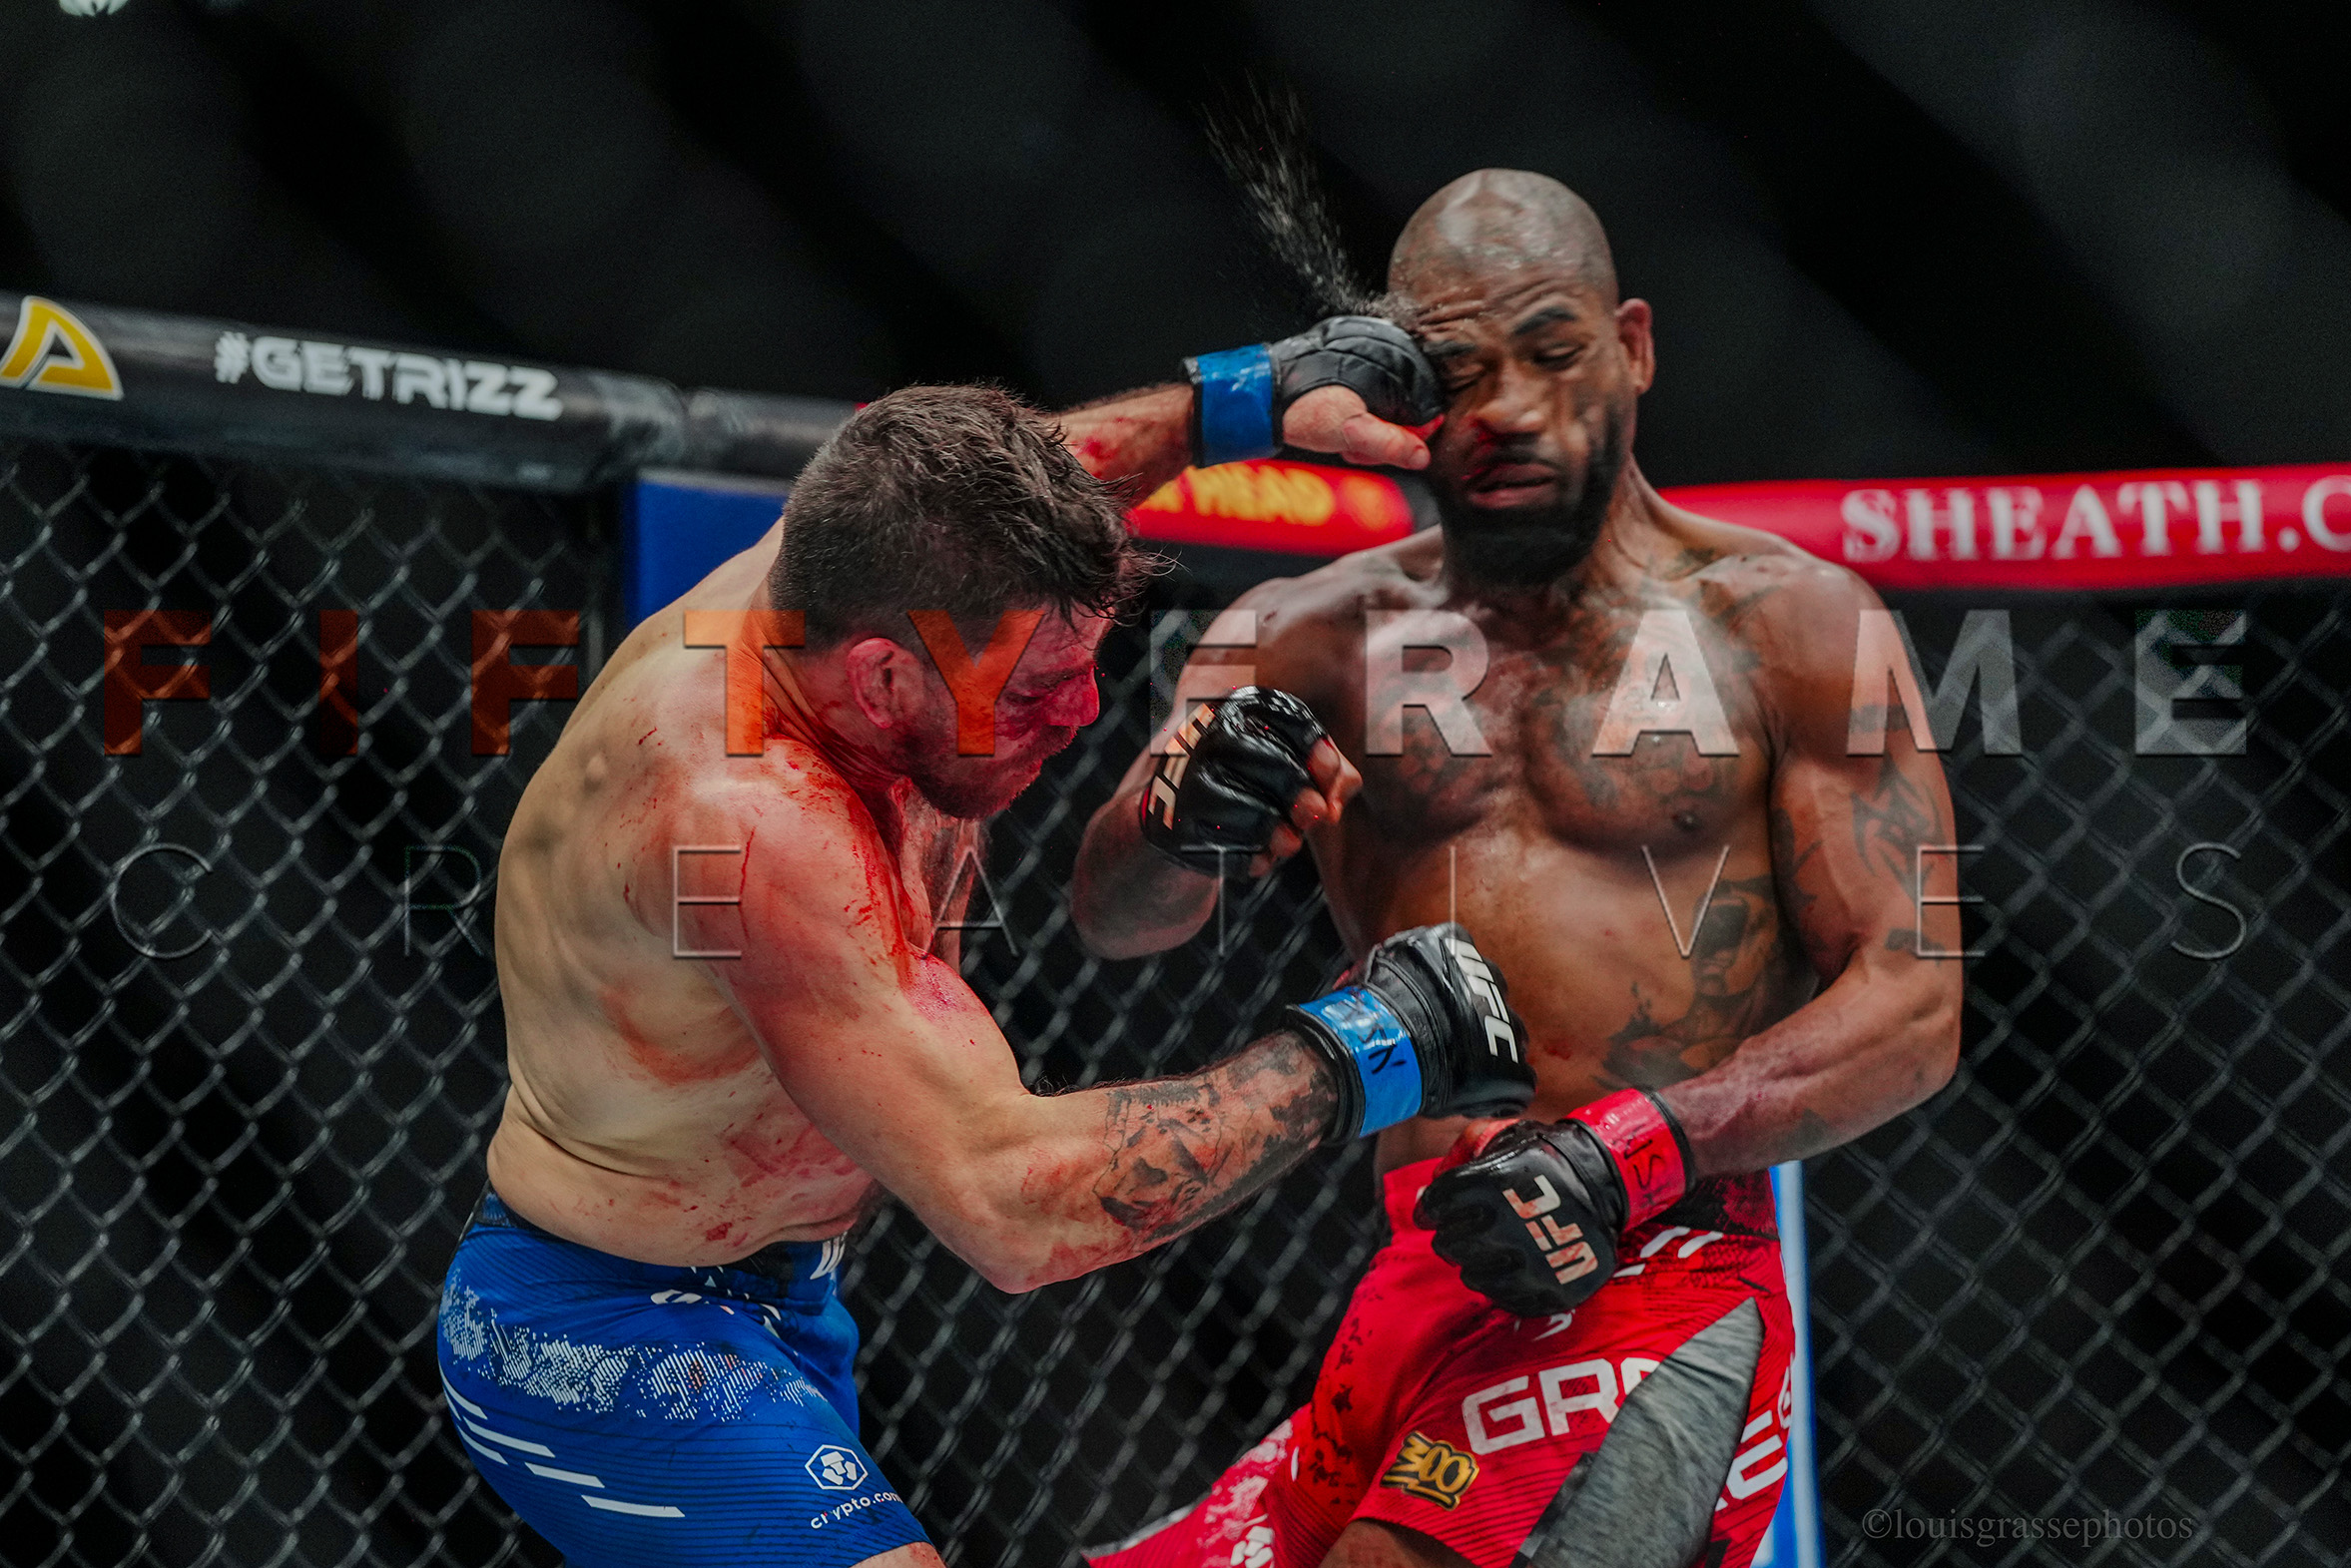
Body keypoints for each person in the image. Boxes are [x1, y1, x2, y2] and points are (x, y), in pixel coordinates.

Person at [436, 384, 1537, 1568]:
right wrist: (1368, 1045)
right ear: (882, 680)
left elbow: (1051, 462)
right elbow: (1010, 1201)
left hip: (783, 1291)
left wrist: (1251, 392)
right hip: (598, 1329)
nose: (1082, 713)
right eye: (1029, 688)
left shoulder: (862, 563)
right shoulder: (750, 818)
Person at [1060, 171, 1965, 1568]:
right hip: (1417, 1272)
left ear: (1633, 347)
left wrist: (1627, 1147)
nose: (1506, 408)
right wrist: (1183, 820)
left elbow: (1913, 1001)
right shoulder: (1303, 632)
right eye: (1456, 372)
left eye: (1549, 351)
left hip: (1655, 1260)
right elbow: (1116, 916)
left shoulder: (1790, 622)